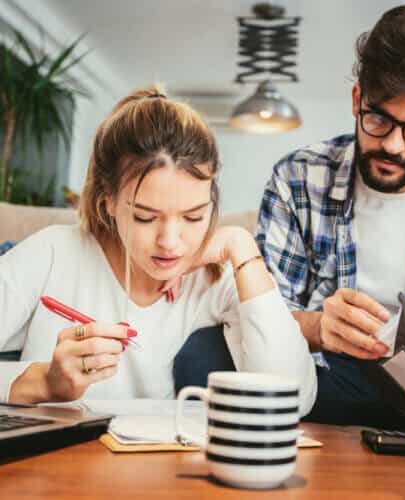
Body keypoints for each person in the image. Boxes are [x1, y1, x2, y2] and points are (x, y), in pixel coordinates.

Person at [256, 5, 405, 446]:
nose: (392, 145)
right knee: (203, 355)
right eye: (379, 119)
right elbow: (261, 313)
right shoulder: (298, 176)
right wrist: (316, 327)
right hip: (339, 377)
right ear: (356, 100)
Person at [0, 85, 317, 416]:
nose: (170, 242)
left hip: (162, 463)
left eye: (194, 216)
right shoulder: (54, 252)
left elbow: (292, 398)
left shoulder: (218, 278)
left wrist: (243, 248)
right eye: (145, 217)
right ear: (107, 200)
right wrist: (43, 383)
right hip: (53, 462)